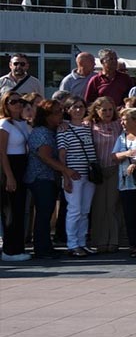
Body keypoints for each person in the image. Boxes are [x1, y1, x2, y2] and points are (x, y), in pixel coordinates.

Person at [24, 101, 73, 259]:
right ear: (46, 116)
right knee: (44, 214)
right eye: (57, 112)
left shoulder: (53, 130)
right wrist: (65, 170)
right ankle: (41, 249)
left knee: (47, 212)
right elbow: (45, 157)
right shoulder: (41, 133)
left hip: (49, 178)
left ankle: (46, 246)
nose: (61, 115)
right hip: (40, 177)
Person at [57, 97, 97, 257]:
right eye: (74, 107)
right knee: (74, 210)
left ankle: (82, 242)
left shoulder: (88, 127)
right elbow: (61, 154)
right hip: (73, 174)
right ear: (68, 110)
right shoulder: (64, 129)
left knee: (85, 210)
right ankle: (72, 244)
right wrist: (65, 176)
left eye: (81, 107)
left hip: (89, 174)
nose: (78, 110)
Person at [112, 107, 136, 258]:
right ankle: (135, 245)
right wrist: (126, 154)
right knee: (130, 215)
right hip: (126, 182)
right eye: (121, 119)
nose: (122, 122)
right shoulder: (122, 137)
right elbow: (113, 156)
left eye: (125, 119)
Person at [87, 96, 123, 254]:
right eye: (104, 110)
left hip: (115, 168)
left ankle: (114, 240)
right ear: (96, 110)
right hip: (98, 171)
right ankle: (100, 241)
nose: (108, 113)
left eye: (110, 109)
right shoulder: (89, 125)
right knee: (99, 206)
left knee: (112, 206)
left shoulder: (118, 125)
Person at [1, 92, 34, 261]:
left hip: (22, 165)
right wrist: (9, 176)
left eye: (20, 101)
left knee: (20, 208)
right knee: (11, 210)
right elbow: (2, 153)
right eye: (12, 101)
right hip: (9, 166)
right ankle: (9, 250)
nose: (17, 104)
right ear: (5, 104)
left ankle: (18, 247)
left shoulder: (23, 123)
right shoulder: (4, 124)